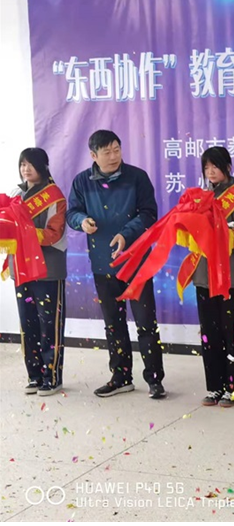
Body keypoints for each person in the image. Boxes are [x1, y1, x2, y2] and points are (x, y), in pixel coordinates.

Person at [66, 129, 166, 399]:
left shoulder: (137, 177)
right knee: (113, 323)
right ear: (93, 155)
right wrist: (82, 221)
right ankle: (121, 377)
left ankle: (154, 379)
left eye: (117, 150)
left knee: (146, 323)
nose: (113, 156)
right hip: (103, 263)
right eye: (107, 152)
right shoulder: (82, 181)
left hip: (136, 262)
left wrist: (126, 234)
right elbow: (72, 212)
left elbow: (149, 213)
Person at [193, 147, 234, 408]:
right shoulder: (201, 197)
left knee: (232, 333)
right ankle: (215, 386)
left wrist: (216, 234)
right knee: (209, 332)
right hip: (204, 273)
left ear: (227, 167)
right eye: (206, 167)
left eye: (215, 166)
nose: (210, 172)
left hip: (232, 273)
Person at [9, 148, 67, 396]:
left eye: (30, 164)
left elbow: (55, 233)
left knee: (49, 325)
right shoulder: (15, 194)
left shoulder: (54, 196)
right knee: (28, 324)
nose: (26, 169)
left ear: (43, 166)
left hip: (47, 269)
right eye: (22, 164)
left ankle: (51, 377)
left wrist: (24, 233)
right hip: (21, 269)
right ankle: (34, 376)